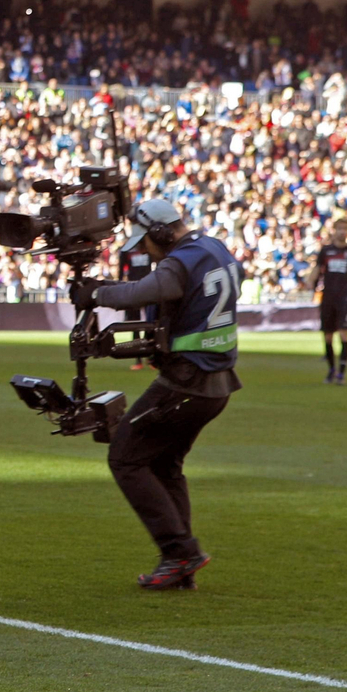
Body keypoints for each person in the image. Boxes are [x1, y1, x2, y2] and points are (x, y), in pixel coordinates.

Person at [74, 198, 241, 590]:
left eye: (145, 241)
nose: (143, 250)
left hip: (188, 381)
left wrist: (96, 295)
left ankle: (180, 552)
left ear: (161, 232)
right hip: (216, 383)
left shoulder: (181, 260)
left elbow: (148, 291)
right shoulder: (215, 247)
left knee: (125, 457)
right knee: (165, 466)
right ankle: (181, 564)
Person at [307, 217, 347, 385]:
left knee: (344, 333)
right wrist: (310, 282)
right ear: (334, 230)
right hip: (328, 297)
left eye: (344, 229)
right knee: (327, 335)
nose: (342, 232)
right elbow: (317, 269)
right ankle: (331, 369)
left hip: (345, 297)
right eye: (339, 228)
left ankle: (342, 373)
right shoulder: (326, 251)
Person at [119, 243, 155, 371]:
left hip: (148, 288)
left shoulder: (148, 247)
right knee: (135, 326)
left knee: (150, 324)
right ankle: (138, 360)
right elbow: (120, 272)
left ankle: (151, 358)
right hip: (133, 290)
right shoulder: (126, 249)